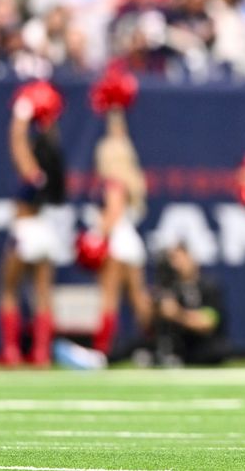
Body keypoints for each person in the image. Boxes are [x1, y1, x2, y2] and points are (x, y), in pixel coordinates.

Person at [84, 65, 153, 354]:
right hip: (131, 240)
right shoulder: (131, 175)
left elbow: (111, 213)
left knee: (109, 297)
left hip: (116, 240)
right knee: (139, 297)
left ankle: (101, 349)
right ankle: (157, 345)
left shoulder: (113, 182)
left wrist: (97, 236)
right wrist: (115, 109)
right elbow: (120, 140)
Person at [0, 80, 66, 367]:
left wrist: (22, 113)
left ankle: (12, 351)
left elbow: (17, 145)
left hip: (27, 229)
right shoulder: (56, 154)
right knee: (42, 293)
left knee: (9, 290)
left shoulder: (36, 165)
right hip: (48, 231)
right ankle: (40, 353)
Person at [148, 243, 231, 366]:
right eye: (173, 260)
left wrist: (177, 314)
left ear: (192, 259)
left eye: (181, 259)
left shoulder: (209, 287)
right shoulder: (168, 289)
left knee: (216, 350)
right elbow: (147, 324)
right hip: (177, 344)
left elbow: (207, 322)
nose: (177, 265)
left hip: (203, 345)